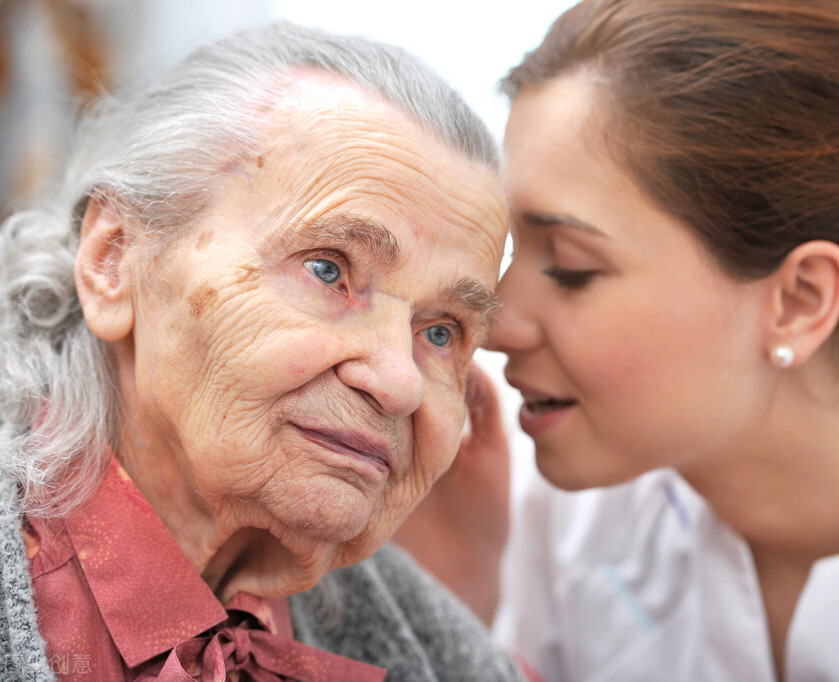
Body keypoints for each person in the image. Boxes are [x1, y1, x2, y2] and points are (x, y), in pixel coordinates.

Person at [473, 0, 839, 679]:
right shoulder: (565, 520)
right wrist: (455, 602)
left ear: (799, 299)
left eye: (570, 268)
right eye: (505, 249)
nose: (493, 324)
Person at [0, 21, 526, 681]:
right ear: (115, 260)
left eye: (441, 331)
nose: (398, 382)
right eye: (328, 270)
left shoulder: (446, 657)